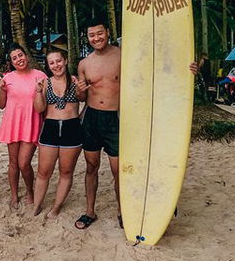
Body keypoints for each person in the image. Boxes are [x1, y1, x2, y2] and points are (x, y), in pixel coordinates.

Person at [76, 18, 197, 230]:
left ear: (108, 31)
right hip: (91, 118)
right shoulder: (84, 64)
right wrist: (79, 90)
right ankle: (89, 211)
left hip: (116, 118)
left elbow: (156, 72)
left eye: (99, 33)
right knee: (91, 166)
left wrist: (187, 69)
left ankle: (124, 212)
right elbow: (81, 97)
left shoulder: (125, 56)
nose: (96, 38)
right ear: (87, 38)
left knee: (118, 170)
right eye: (91, 35)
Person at [32, 48, 84, 219]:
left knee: (66, 172)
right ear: (48, 65)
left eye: (59, 61)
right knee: (43, 172)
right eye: (52, 62)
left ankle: (56, 207)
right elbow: (39, 109)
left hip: (72, 128)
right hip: (50, 128)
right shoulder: (45, 83)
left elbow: (85, 99)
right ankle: (37, 205)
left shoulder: (75, 81)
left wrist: (80, 91)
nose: (56, 65)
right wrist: (38, 92)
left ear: (66, 61)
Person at [0, 44, 47, 210]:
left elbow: (46, 103)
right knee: (13, 163)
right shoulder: (8, 78)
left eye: (20, 55)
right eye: (14, 58)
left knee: (24, 163)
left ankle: (30, 191)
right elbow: (1, 105)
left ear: (26, 55)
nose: (19, 59)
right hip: (12, 123)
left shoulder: (40, 75)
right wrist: (2, 90)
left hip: (32, 123)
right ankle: (14, 194)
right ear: (11, 62)